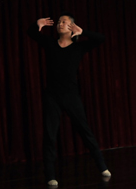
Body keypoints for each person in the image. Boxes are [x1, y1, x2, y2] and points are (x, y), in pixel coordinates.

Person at [27, 13, 111, 187]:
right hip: (52, 96)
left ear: (72, 26)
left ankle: (102, 166)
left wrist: (83, 31)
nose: (60, 23)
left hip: (71, 96)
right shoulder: (50, 43)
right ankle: (50, 175)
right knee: (50, 135)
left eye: (64, 21)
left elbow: (101, 38)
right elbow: (31, 33)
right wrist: (37, 24)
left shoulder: (78, 47)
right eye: (59, 21)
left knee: (85, 131)